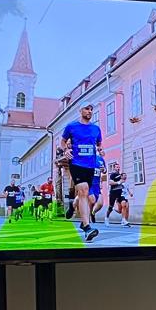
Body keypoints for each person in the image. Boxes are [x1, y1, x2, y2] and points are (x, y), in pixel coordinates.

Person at [58, 103, 103, 242]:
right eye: (86, 109)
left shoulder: (96, 129)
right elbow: (62, 141)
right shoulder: (71, 126)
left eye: (91, 109)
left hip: (90, 165)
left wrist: (100, 150)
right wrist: (66, 150)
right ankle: (88, 228)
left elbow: (99, 144)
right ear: (80, 110)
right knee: (83, 191)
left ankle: (82, 221)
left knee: (88, 196)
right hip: (76, 163)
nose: (89, 111)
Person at [105, 160, 130, 225]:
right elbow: (110, 183)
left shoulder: (120, 175)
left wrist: (122, 185)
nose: (118, 168)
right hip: (113, 193)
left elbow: (122, 183)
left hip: (120, 193)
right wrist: (118, 182)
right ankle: (106, 217)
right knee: (110, 207)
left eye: (119, 167)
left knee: (124, 205)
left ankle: (123, 220)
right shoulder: (113, 175)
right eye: (117, 167)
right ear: (114, 168)